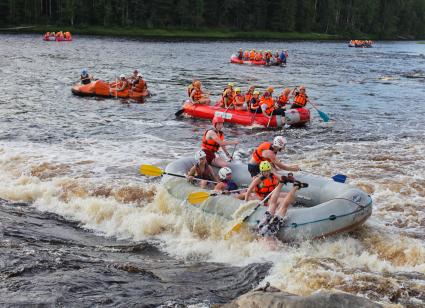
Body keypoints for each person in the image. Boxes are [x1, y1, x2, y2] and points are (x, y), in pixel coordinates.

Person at [251, 161, 308, 237]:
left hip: (269, 231)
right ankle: (281, 183)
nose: (266, 172)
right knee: (273, 203)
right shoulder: (259, 178)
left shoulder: (270, 176)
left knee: (284, 206)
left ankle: (295, 187)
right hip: (260, 228)